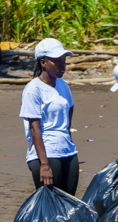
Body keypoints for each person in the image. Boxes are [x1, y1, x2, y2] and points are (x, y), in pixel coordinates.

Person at [20, 38, 79, 194]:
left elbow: (69, 111)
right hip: (46, 152)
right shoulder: (33, 89)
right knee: (51, 206)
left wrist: (67, 138)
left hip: (68, 150)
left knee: (69, 204)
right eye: (57, 61)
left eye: (64, 60)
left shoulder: (63, 85)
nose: (62, 64)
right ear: (43, 62)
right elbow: (34, 129)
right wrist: (44, 165)